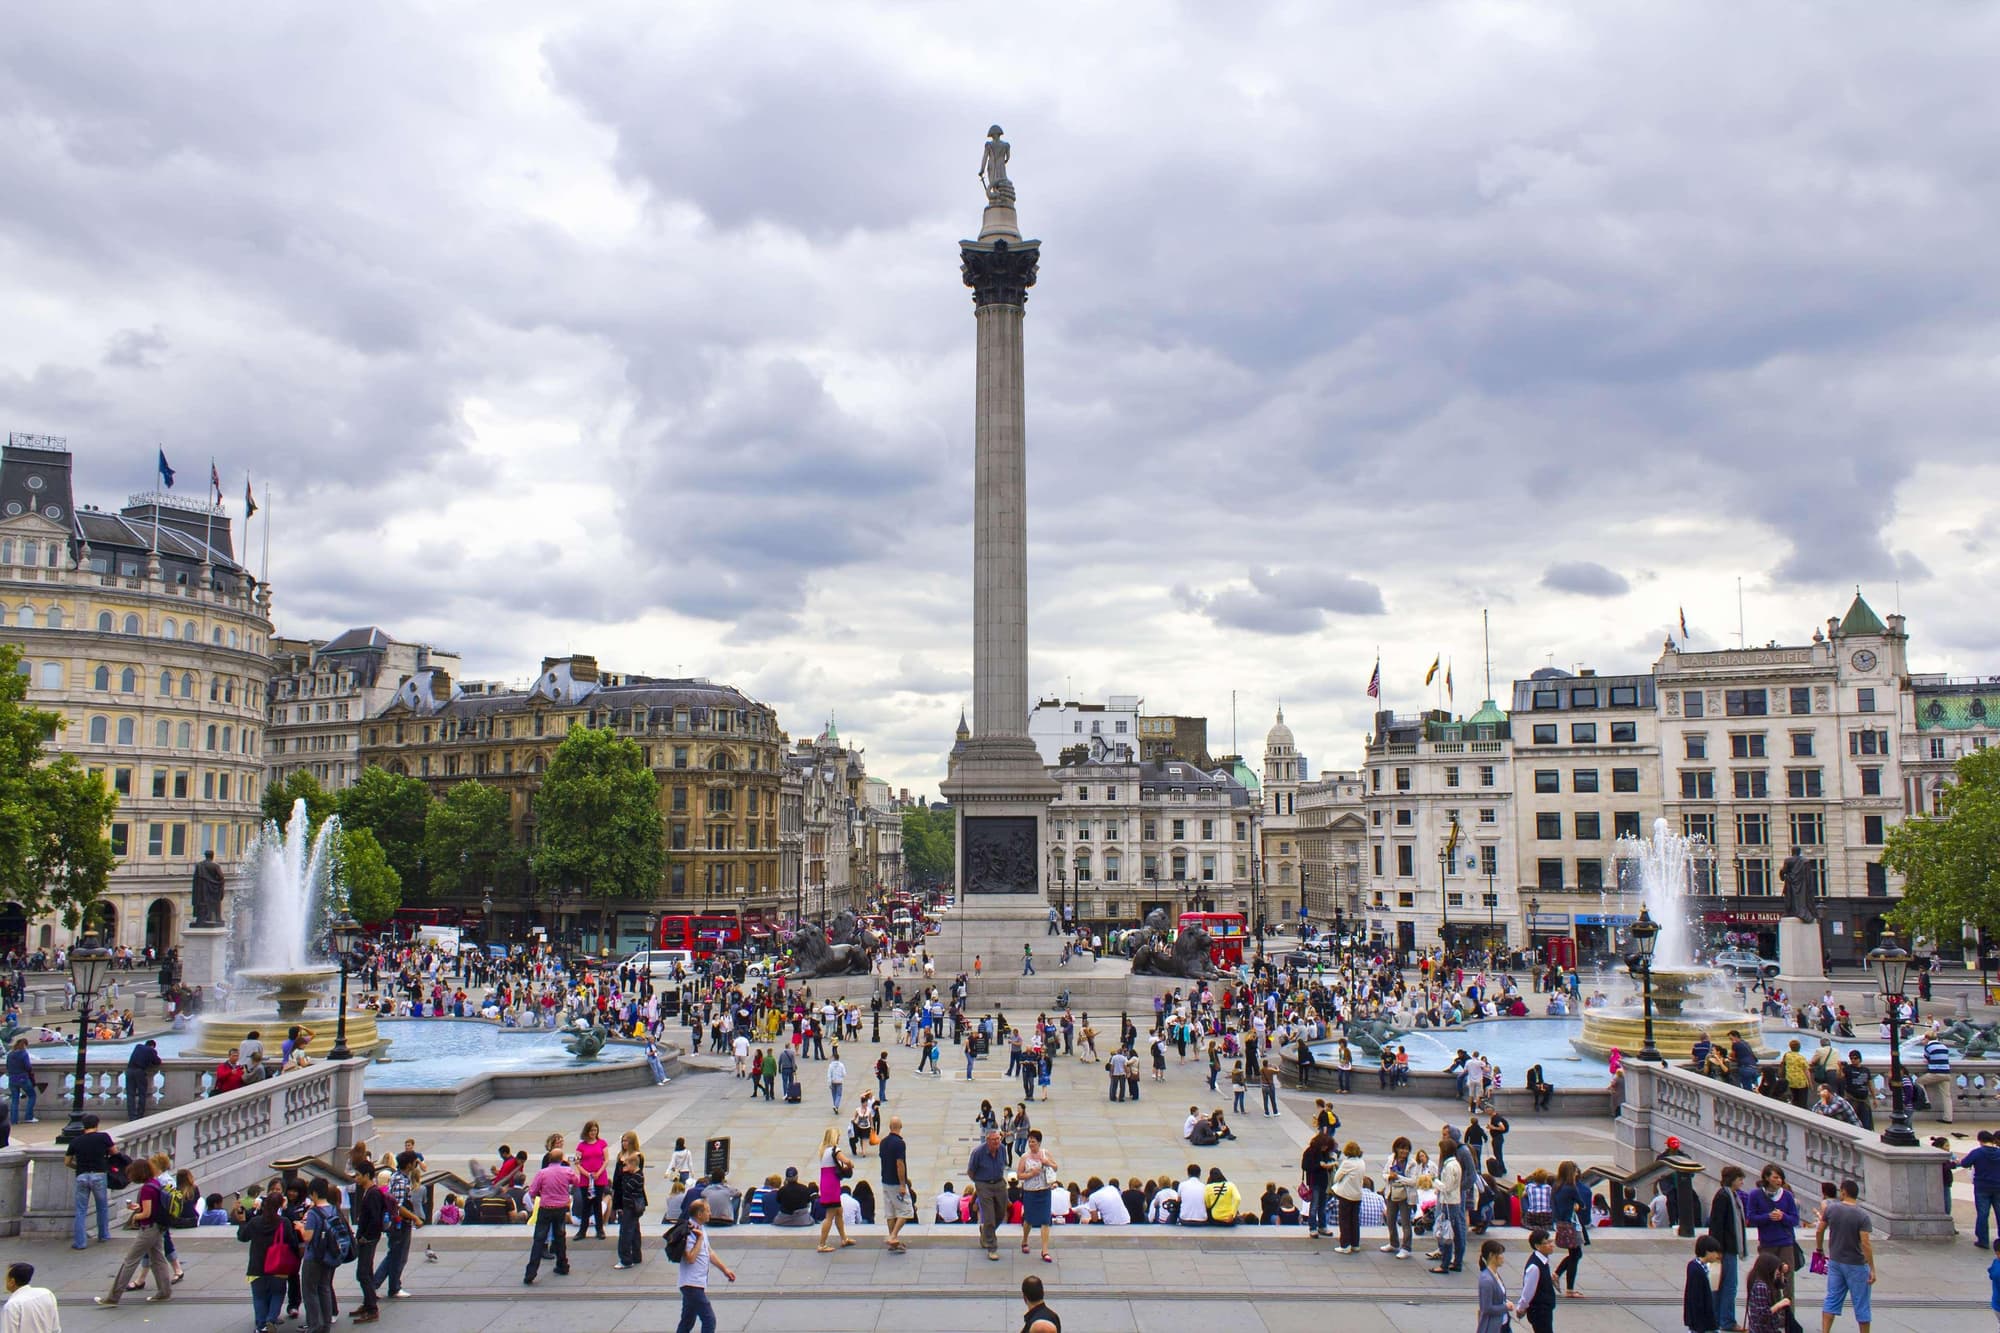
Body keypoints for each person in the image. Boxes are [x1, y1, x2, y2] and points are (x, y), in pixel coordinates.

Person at [94, 1158, 172, 1306]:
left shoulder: (146, 1189)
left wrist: (136, 1215)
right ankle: (164, 1292)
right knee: (158, 1259)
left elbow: (147, 1213)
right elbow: (151, 1207)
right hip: (158, 1226)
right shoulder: (155, 1183)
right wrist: (139, 1208)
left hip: (148, 1228)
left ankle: (113, 1296)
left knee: (130, 1261)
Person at [1814, 1179, 1873, 1333]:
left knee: (1832, 1298)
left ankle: (1825, 1331)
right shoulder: (1863, 1215)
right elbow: (1865, 1243)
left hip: (1835, 1261)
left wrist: (1820, 1249)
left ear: (1844, 1192)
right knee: (1861, 1303)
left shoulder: (1831, 1210)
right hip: (1857, 1264)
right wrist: (1872, 1268)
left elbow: (1819, 1230)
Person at [674, 1198, 736, 1333]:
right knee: (709, 1320)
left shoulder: (700, 1228)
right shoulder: (688, 1232)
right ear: (699, 1214)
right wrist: (699, 1239)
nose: (710, 1213)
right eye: (708, 1210)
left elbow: (708, 1252)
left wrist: (724, 1269)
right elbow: (690, 1258)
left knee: (687, 1321)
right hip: (691, 1284)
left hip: (696, 1283)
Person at [1743, 1164, 1798, 1312]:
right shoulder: (1755, 1195)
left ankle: (1788, 1315)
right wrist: (1768, 1217)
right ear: (1766, 1178)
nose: (1778, 1180)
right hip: (1767, 1243)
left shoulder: (1787, 1196)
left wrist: (1783, 1216)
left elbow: (1794, 1219)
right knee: (1768, 1279)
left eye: (1780, 1177)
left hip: (1785, 1242)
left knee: (1788, 1279)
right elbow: (1751, 1218)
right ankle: (1772, 1312)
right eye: (1775, 1177)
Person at [236, 1191, 290, 1333]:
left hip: (257, 1266)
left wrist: (242, 1221)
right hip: (278, 1266)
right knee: (277, 1294)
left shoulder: (255, 1222)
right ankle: (271, 1319)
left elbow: (242, 1237)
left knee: (259, 1296)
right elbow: (292, 1243)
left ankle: (261, 1326)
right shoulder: (284, 1222)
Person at [521, 1147, 576, 1284]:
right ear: (562, 1159)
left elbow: (532, 1192)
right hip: (560, 1209)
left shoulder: (542, 1173)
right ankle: (563, 1265)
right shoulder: (567, 1171)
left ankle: (531, 1272)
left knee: (539, 1239)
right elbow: (577, 1181)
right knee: (560, 1237)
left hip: (545, 1208)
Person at [296, 1178, 342, 1333]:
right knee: (325, 1288)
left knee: (310, 1291)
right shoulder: (334, 1209)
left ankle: (315, 1325)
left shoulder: (314, 1213)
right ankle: (326, 1325)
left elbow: (308, 1237)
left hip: (313, 1256)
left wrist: (300, 1227)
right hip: (329, 1255)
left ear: (314, 1193)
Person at [1706, 1164, 1750, 1331]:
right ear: (1732, 1180)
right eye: (1740, 1179)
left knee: (1721, 1285)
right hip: (1726, 1249)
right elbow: (1717, 1225)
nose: (1741, 1183)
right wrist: (1718, 1250)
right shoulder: (1724, 1197)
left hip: (1727, 1248)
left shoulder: (1730, 1196)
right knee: (1728, 1285)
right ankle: (1727, 1320)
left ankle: (1718, 1318)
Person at [67, 1111, 115, 1250]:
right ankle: (103, 1235)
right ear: (97, 1124)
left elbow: (67, 1161)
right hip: (99, 1174)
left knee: (81, 1210)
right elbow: (114, 1151)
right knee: (102, 1207)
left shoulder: (76, 1140)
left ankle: (80, 1242)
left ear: (84, 1125)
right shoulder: (103, 1137)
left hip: (82, 1175)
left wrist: (78, 1166)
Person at [969, 1127, 1009, 1260]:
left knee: (1001, 1213)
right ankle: (992, 1247)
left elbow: (1004, 1164)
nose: (996, 1142)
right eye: (993, 1140)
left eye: (998, 1139)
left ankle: (985, 1232)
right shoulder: (978, 1152)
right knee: (989, 1217)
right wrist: (979, 1184)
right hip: (983, 1184)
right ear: (987, 1140)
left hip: (999, 1183)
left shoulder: (1002, 1149)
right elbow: (971, 1171)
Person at [1551, 1159, 1589, 1299]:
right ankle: (1567, 1286)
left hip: (1560, 1224)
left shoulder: (1556, 1186)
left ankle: (1559, 1276)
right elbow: (1582, 1204)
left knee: (1575, 1254)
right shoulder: (1571, 1188)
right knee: (1576, 1254)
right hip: (1571, 1225)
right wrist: (1576, 1205)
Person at [1019, 1129, 1059, 1261]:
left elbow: (1055, 1167)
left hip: (1044, 1190)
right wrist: (1031, 1174)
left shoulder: (1045, 1153)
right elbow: (1019, 1175)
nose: (1031, 1144)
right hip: (1030, 1192)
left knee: (1045, 1220)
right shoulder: (1025, 1157)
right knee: (1028, 1219)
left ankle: (1045, 1250)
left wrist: (1047, 1162)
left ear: (1039, 1142)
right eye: (1029, 1141)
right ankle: (1025, 1240)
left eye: (1033, 1142)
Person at [1959, 1131, 2000, 1251]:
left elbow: (1965, 1163)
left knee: (1983, 1214)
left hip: (1982, 1186)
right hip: (1998, 1186)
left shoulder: (1977, 1152)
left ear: (1980, 1140)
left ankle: (1983, 1240)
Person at [816, 1126, 855, 1253]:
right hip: (832, 1184)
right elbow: (846, 1160)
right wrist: (850, 1164)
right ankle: (822, 1244)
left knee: (839, 1211)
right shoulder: (834, 1149)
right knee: (830, 1215)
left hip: (826, 1183)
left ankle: (844, 1238)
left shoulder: (823, 1150)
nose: (839, 1138)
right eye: (838, 1136)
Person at [879, 1114, 913, 1252]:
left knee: (890, 1212)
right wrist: (903, 1184)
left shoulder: (883, 1142)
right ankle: (893, 1236)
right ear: (900, 1127)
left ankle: (893, 1241)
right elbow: (900, 1164)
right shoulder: (899, 1143)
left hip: (885, 1180)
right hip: (895, 1182)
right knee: (906, 1210)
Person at [574, 1120, 610, 1241]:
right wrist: (587, 1174)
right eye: (591, 1131)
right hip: (586, 1179)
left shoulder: (602, 1143)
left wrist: (598, 1173)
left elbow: (606, 1159)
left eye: (595, 1130)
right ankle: (582, 1230)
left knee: (597, 1204)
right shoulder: (581, 1146)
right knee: (586, 1204)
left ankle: (600, 1230)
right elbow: (577, 1162)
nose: (593, 1133)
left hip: (599, 1178)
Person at [1517, 1227, 1557, 1333]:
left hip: (1544, 1310)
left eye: (1551, 1241)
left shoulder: (1543, 1260)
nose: (1551, 1245)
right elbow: (1528, 1290)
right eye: (1547, 1242)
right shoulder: (1534, 1266)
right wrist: (1521, 1307)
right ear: (1537, 1246)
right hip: (1539, 1311)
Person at [1743, 1251, 1792, 1333]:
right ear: (1769, 1269)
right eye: (1776, 1269)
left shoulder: (1760, 1280)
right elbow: (1763, 1315)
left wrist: (1782, 1272)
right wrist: (1780, 1304)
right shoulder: (1761, 1286)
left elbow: (1780, 1285)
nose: (1777, 1272)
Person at [1331, 1140, 1366, 1253]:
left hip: (1346, 1195)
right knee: (1354, 1220)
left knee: (1344, 1220)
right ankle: (1355, 1244)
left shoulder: (1347, 1163)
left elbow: (1336, 1178)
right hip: (1357, 1195)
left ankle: (1345, 1245)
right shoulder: (1362, 1162)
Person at [4, 1263, 60, 1333]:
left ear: (12, 1281)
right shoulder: (46, 1293)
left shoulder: (13, 1305)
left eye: (6, 1278)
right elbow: (55, 1328)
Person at [1684, 1236, 1725, 1333]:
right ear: (1708, 1252)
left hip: (1701, 1320)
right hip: (1700, 1321)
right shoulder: (1697, 1271)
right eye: (1716, 1252)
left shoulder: (1697, 1267)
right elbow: (1696, 1299)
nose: (1718, 1256)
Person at [1477, 1239, 1514, 1333]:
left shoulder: (1494, 1274)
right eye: (1500, 1254)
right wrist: (1506, 1307)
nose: (1503, 1257)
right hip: (1494, 1327)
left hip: (1503, 1324)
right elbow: (1486, 1308)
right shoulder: (1487, 1280)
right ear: (1491, 1255)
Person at [6, 1038, 34, 1125]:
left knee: (14, 1099)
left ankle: (14, 1120)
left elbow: (7, 1066)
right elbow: (28, 1067)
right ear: (25, 1045)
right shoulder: (23, 1054)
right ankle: (28, 1117)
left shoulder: (10, 1054)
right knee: (32, 1095)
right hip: (22, 1078)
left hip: (12, 1078)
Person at [828, 1049, 847, 1113]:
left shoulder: (831, 1065)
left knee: (834, 1094)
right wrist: (841, 1076)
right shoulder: (841, 1065)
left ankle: (835, 1105)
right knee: (839, 1095)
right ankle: (836, 1106)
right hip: (839, 1081)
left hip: (833, 1081)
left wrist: (829, 1083)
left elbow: (829, 1075)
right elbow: (844, 1074)